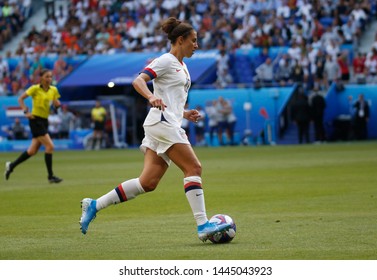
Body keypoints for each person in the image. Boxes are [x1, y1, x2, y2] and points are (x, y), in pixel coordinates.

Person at [79, 17, 230, 241]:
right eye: (194, 41)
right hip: (161, 122)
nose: (196, 45)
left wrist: (184, 113)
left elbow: (172, 99)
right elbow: (138, 81)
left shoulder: (183, 66)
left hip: (164, 121)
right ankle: (202, 225)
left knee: (147, 183)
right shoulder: (166, 60)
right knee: (194, 168)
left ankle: (94, 204)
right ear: (180, 40)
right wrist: (151, 96)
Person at [4, 69, 63, 183]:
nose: (49, 79)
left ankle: (11, 166)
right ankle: (50, 176)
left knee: (32, 151)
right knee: (50, 146)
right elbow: (20, 99)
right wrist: (26, 111)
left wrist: (57, 105)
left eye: (50, 77)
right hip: (35, 120)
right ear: (41, 78)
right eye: (47, 76)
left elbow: (56, 104)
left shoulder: (53, 90)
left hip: (44, 121)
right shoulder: (35, 88)